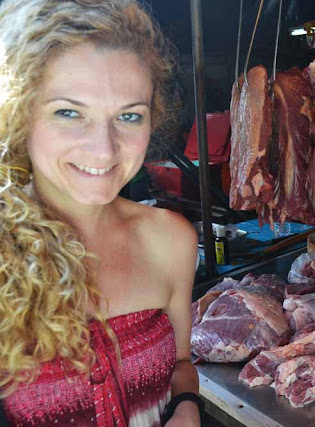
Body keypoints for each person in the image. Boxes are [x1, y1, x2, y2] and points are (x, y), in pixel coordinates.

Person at [0, 1, 201, 426]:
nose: (105, 149)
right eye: (69, 112)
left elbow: (181, 365)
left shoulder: (171, 240)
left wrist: (187, 407)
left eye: (128, 116)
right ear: (21, 115)